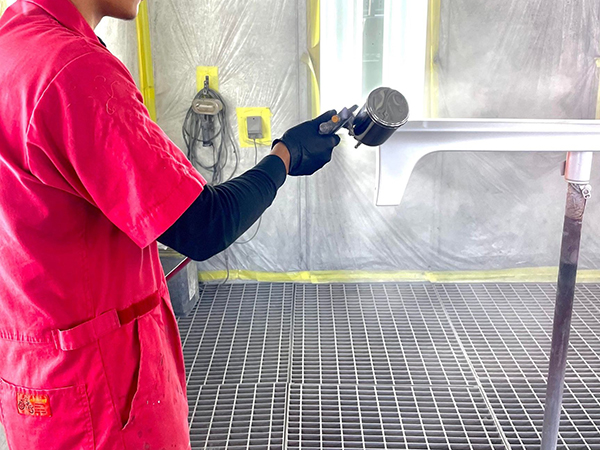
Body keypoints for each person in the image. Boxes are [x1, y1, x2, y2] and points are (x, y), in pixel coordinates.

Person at [0, 0, 340, 448]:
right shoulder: (74, 70)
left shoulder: (14, 42)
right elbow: (204, 225)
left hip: (37, 376)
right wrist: (286, 155)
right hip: (104, 394)